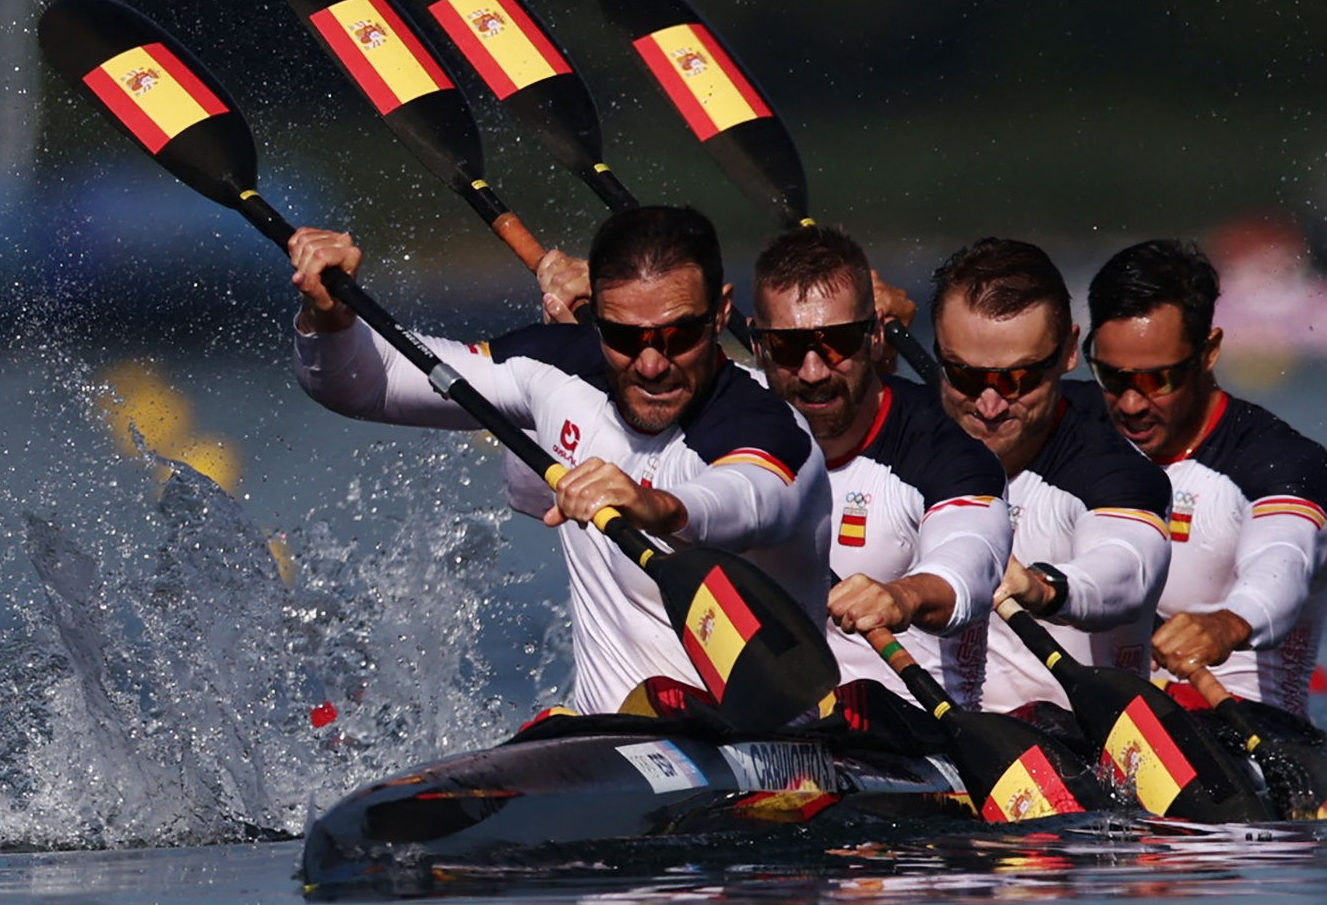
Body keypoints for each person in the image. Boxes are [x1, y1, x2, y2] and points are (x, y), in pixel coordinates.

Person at [287, 205, 829, 716]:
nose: (650, 363)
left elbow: (751, 499)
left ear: (722, 314)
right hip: (608, 740)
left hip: (768, 749)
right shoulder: (556, 367)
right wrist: (328, 314)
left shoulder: (769, 428)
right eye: (623, 336)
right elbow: (364, 386)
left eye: (679, 335)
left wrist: (656, 505)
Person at [748, 223, 1010, 706]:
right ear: (757, 343)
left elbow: (968, 564)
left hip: (911, 745)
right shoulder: (724, 417)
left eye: (837, 342)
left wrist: (903, 597)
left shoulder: (945, 452)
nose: (812, 372)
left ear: (873, 337)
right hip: (766, 735)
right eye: (787, 347)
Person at [1087, 239, 1327, 718]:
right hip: (1091, 731)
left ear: (1208, 352)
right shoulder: (1069, 430)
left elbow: (1280, 565)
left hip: (1239, 736)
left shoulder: (1281, 462)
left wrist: (1229, 623)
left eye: (1156, 380)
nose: (1131, 404)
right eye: (1112, 378)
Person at [929, 237, 1172, 716]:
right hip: (916, 738)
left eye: (1016, 379)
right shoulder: (906, 438)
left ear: (1067, 352)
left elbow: (1127, 566)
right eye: (965, 376)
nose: (989, 406)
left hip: (1069, 749)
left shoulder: (1112, 470)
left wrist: (1044, 588)